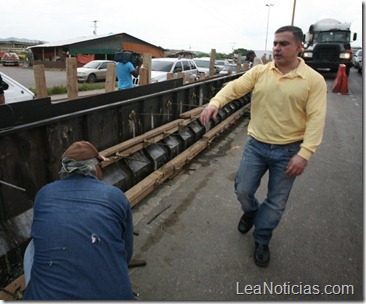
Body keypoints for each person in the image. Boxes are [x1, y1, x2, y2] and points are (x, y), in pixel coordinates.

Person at [200, 25, 327, 268]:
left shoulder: (313, 80)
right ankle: (251, 212)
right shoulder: (260, 72)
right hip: (256, 146)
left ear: (299, 47)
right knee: (243, 189)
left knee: (276, 201)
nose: (277, 48)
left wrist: (305, 153)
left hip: (289, 151)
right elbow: (235, 87)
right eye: (275, 43)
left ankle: (262, 239)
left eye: (284, 44)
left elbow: (316, 119)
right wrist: (215, 102)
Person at [22, 141, 135, 300]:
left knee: (32, 247)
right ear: (94, 167)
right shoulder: (115, 196)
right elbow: (127, 252)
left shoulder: (44, 194)